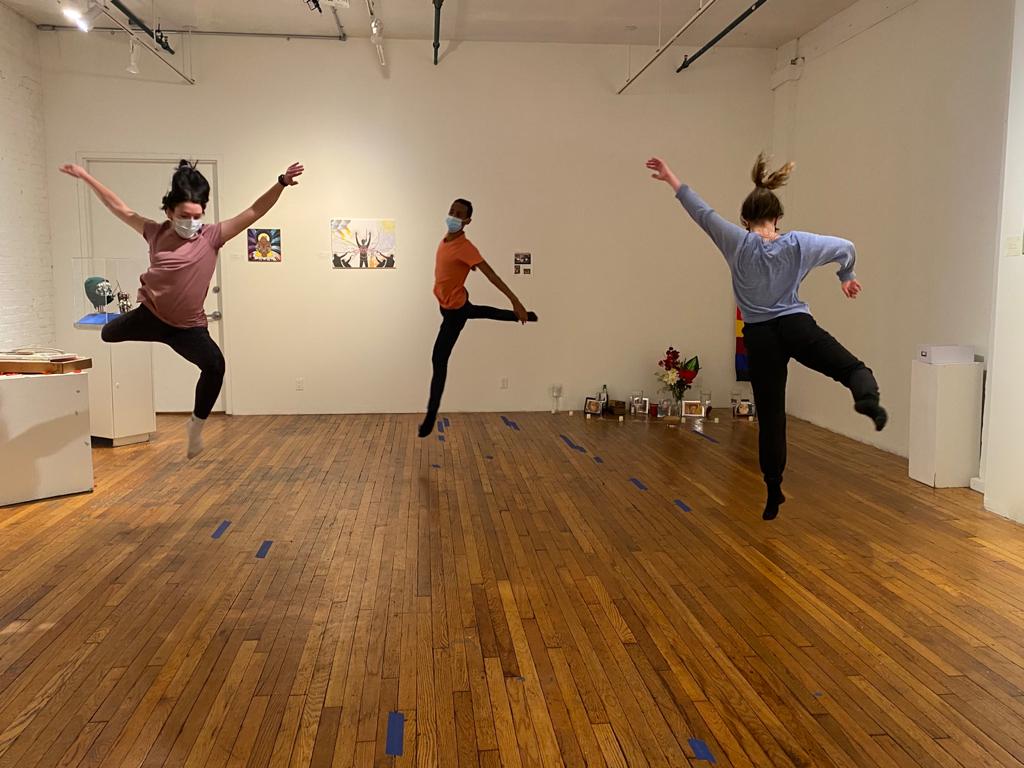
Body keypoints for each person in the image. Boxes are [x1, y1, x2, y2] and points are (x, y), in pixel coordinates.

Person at [647, 154, 887, 520]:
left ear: (745, 221)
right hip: (796, 326)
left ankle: (773, 489)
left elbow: (701, 212)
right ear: (777, 218)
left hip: (759, 338)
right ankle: (866, 398)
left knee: (772, 416)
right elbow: (846, 247)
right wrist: (845, 276)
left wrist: (670, 178)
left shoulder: (736, 242)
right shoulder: (799, 243)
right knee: (850, 367)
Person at [60, 159, 304, 459]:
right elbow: (119, 208)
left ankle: (195, 427)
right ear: (169, 212)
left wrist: (280, 182)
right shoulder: (155, 232)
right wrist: (85, 176)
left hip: (188, 328)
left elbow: (254, 211)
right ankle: (124, 317)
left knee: (215, 366)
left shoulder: (213, 236)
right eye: (184, 216)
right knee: (107, 334)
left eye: (197, 216)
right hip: (150, 316)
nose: (191, 222)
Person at [418, 198, 538, 438]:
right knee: (480, 311)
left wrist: (515, 300)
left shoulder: (466, 247)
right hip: (450, 305)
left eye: (459, 214)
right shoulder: (446, 240)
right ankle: (525, 317)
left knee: (438, 359)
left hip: (454, 311)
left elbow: (491, 274)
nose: (452, 215)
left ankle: (430, 417)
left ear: (467, 221)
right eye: (451, 210)